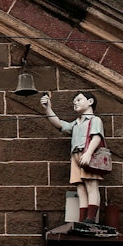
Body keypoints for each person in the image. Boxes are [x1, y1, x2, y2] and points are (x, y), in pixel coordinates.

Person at [40, 91, 107, 222]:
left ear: (90, 102)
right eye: (74, 101)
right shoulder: (76, 123)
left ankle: (91, 218)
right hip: (75, 155)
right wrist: (48, 108)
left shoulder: (95, 120)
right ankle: (82, 219)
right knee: (80, 187)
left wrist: (88, 153)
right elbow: (59, 124)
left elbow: (97, 137)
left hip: (88, 155)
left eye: (79, 99)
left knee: (91, 185)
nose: (75, 103)